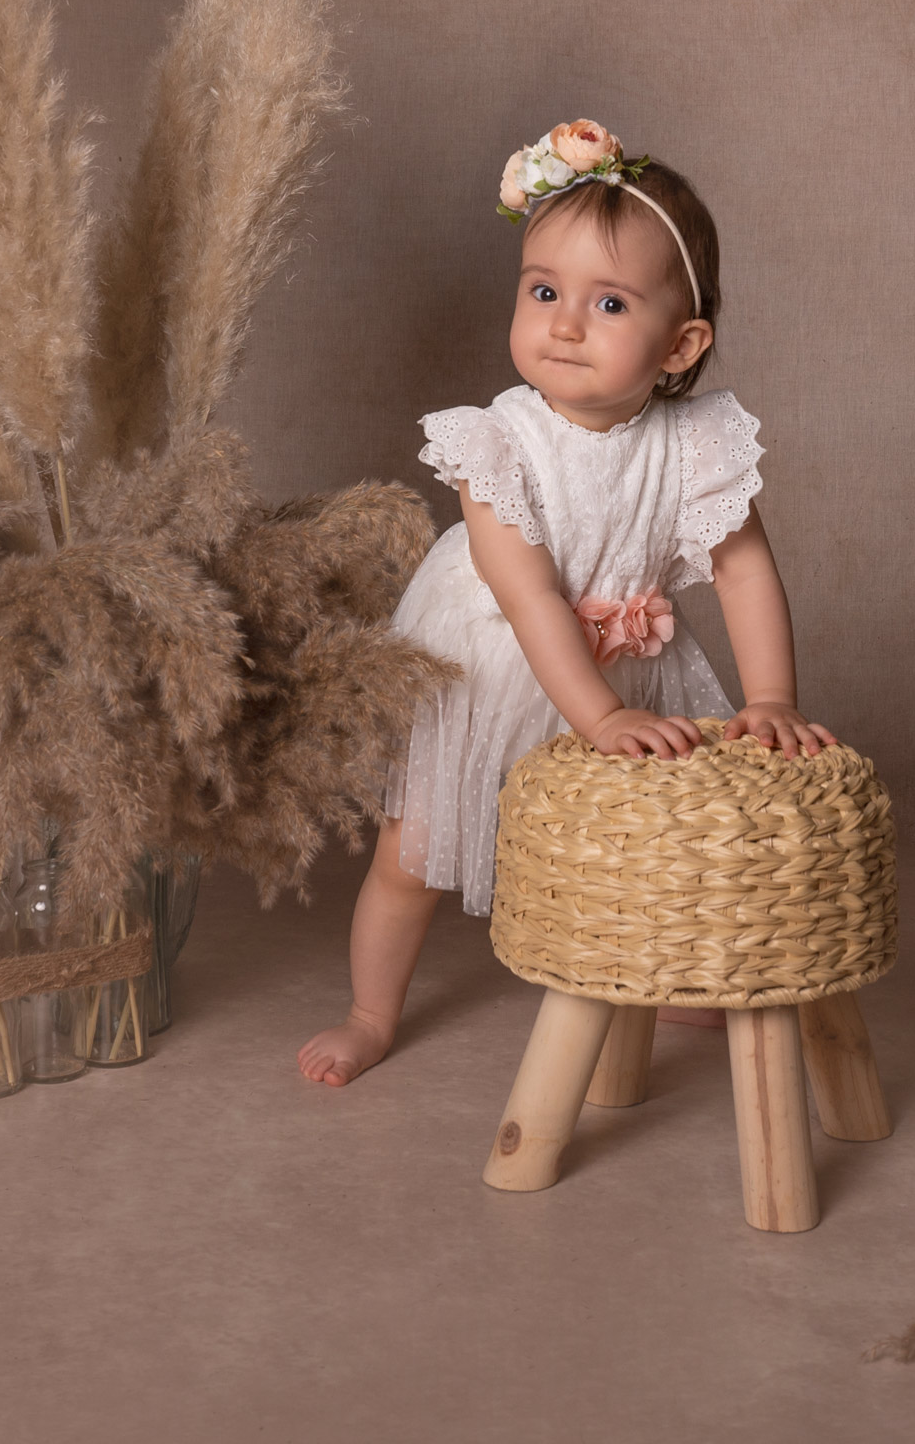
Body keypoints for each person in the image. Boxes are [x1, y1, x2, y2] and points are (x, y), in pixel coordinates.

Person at [297, 118, 836, 1085]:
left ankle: (660, 979)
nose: (564, 323)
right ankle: (371, 1011)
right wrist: (600, 712)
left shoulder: (697, 443)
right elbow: (529, 591)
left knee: (646, 845)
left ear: (682, 344)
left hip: (630, 659)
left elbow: (746, 569)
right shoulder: (498, 443)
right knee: (414, 852)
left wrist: (773, 697)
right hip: (498, 655)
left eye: (610, 303)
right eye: (543, 291)